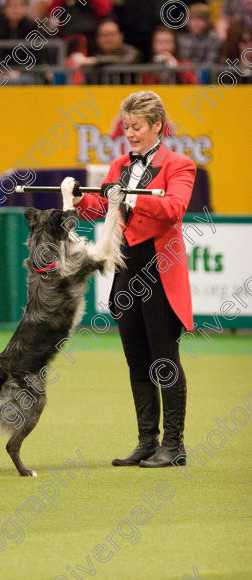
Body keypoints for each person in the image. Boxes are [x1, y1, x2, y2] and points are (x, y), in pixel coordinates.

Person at [61, 90, 196, 467]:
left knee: (163, 358)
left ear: (157, 126)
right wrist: (76, 199)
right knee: (136, 360)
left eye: (137, 127)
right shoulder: (119, 163)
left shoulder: (180, 165)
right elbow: (102, 208)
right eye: (126, 127)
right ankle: (147, 442)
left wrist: (131, 198)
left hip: (158, 271)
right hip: (124, 270)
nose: (130, 134)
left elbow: (173, 209)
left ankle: (174, 444)